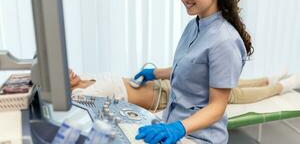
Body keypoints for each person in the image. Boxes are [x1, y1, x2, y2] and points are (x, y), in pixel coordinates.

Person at [134, 0, 250, 143]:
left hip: (198, 137)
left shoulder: (225, 40)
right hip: (175, 127)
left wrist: (178, 128)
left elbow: (217, 107)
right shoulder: (194, 26)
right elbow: (189, 68)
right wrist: (153, 74)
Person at [70, 70, 300, 109]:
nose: (70, 71)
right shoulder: (79, 95)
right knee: (228, 94)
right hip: (166, 97)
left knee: (218, 80)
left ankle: (265, 80)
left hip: (164, 84)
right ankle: (284, 86)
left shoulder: (87, 78)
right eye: (64, 73)